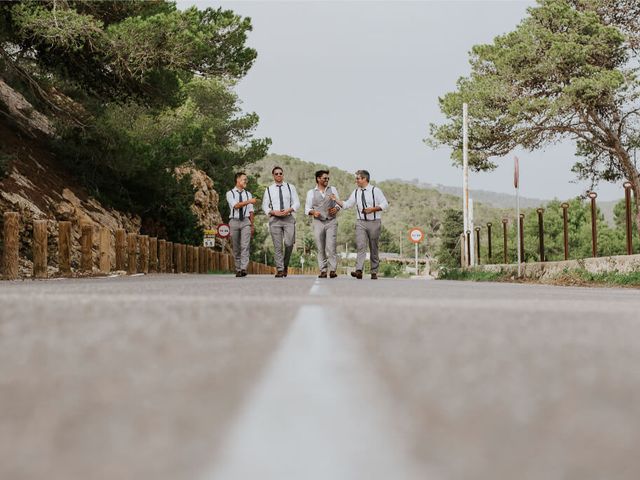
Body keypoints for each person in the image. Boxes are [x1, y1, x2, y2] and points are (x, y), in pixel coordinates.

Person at [332, 169, 388, 279]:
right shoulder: (356, 192)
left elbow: (385, 204)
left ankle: (374, 272)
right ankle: (358, 270)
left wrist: (373, 209)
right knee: (361, 246)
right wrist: (336, 200)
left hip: (374, 222)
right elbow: (347, 205)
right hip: (360, 222)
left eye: (358, 178)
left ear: (364, 179)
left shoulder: (375, 190)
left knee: (373, 247)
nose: (356, 180)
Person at [262, 166, 300, 277]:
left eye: (280, 173)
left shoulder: (290, 187)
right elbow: (265, 205)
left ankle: (285, 265)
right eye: (276, 174)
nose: (279, 175)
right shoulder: (269, 189)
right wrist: (273, 212)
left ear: (283, 175)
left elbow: (296, 202)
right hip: (275, 219)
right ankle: (280, 269)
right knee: (278, 246)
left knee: (289, 244)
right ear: (273, 176)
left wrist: (289, 209)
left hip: (288, 218)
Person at [305, 169, 340, 278]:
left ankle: (333, 270)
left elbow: (338, 203)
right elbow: (307, 208)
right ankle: (323, 270)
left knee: (331, 246)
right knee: (320, 247)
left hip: (331, 221)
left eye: (328, 178)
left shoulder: (333, 189)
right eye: (325, 178)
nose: (327, 180)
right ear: (318, 179)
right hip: (318, 222)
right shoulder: (311, 192)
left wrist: (336, 208)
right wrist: (313, 212)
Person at [226, 172, 256, 277]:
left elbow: (251, 211)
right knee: (236, 247)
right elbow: (236, 206)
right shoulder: (230, 193)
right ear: (238, 180)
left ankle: (243, 268)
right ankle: (238, 269)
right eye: (244, 179)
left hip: (246, 222)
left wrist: (252, 225)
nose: (246, 181)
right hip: (234, 222)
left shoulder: (248, 194)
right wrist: (249, 201)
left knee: (245, 246)